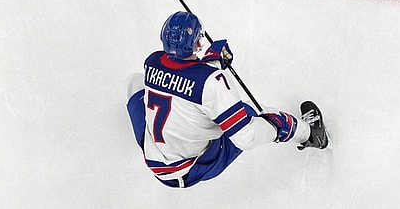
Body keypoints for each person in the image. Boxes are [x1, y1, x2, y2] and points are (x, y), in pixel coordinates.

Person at [125, 11, 329, 188]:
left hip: (153, 153)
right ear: (197, 43)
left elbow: (184, 79)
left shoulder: (152, 61)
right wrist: (278, 127)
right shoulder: (212, 82)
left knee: (135, 83)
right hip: (189, 169)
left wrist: (211, 62)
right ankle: (310, 135)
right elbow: (245, 137)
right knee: (251, 112)